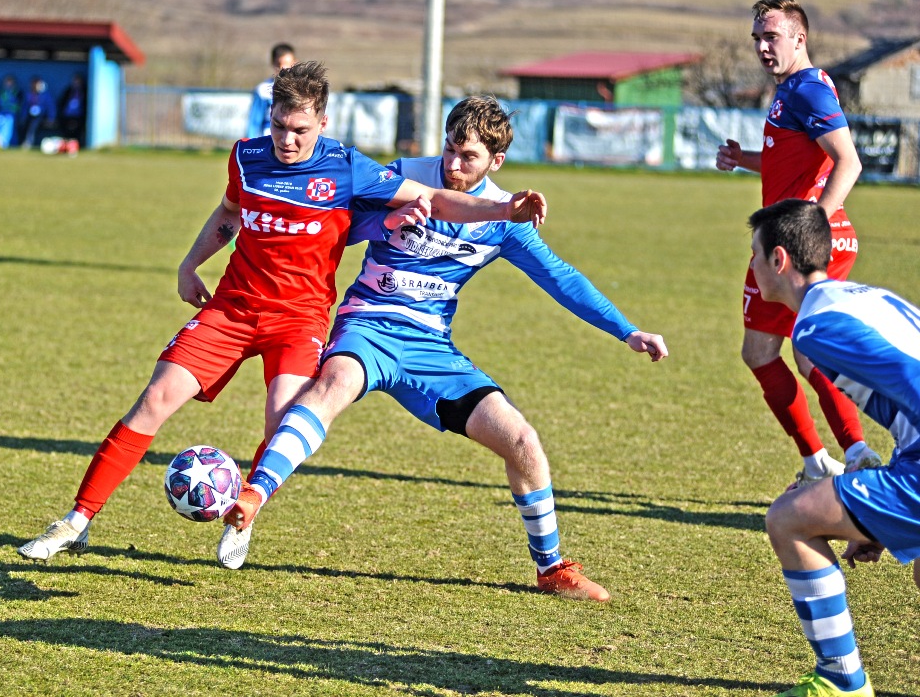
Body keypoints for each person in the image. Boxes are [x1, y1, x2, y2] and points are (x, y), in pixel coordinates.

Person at [17, 62, 548, 561]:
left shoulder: (347, 167)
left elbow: (438, 198)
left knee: (284, 421)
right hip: (233, 308)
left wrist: (505, 209)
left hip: (299, 320)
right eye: (278, 126)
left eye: (299, 130)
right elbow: (229, 213)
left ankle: (242, 516)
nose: (286, 140)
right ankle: (76, 520)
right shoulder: (246, 157)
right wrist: (189, 264)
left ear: (323, 123)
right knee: (154, 399)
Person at [217, 96, 667, 600]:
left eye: (468, 157)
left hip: (431, 348)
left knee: (522, 440)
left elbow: (561, 278)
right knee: (335, 382)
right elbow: (338, 227)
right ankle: (253, 496)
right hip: (368, 323)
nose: (453, 165)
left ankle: (551, 567)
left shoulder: (504, 218)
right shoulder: (404, 176)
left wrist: (627, 331)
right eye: (450, 149)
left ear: (496, 161)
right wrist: (390, 220)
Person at [749, 198, 916, 697]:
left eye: (754, 254)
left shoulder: (818, 327)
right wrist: (878, 511)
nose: (751, 266)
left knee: (789, 518)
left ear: (779, 259)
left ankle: (840, 682)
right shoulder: (866, 297)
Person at [715, 0, 879, 485]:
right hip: (797, 239)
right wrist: (744, 158)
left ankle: (847, 456)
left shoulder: (807, 88)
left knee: (785, 352)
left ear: (799, 38)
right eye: (757, 39)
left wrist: (813, 224)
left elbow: (849, 161)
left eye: (772, 37)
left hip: (796, 244)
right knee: (783, 352)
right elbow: (794, 163)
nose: (762, 47)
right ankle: (834, 458)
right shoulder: (794, 89)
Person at [247, 42, 296, 139]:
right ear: (273, 63)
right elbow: (254, 121)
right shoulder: (263, 90)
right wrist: (250, 142)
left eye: (286, 64)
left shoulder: (301, 89)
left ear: (294, 63)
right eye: (279, 64)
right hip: (269, 139)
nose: (282, 68)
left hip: (291, 139)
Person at [20, 76, 56, 150]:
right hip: (30, 117)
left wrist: (51, 119)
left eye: (37, 84)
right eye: (34, 84)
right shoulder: (28, 95)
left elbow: (51, 108)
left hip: (42, 117)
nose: (35, 86)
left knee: (34, 123)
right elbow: (25, 108)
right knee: (24, 124)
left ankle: (28, 142)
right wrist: (23, 118)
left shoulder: (46, 95)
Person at [0, 75, 22, 150]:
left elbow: (20, 105)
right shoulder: (0, 91)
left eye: (10, 81)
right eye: (7, 81)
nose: (8, 83)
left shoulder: (18, 92)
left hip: (12, 113)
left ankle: (3, 141)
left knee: (9, 120)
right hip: (1, 112)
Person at [57, 74, 87, 147]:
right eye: (75, 81)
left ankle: (76, 144)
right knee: (63, 124)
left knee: (78, 127)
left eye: (78, 82)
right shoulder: (68, 91)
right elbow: (61, 102)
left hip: (79, 116)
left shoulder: (85, 92)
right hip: (67, 115)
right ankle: (65, 144)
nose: (76, 84)